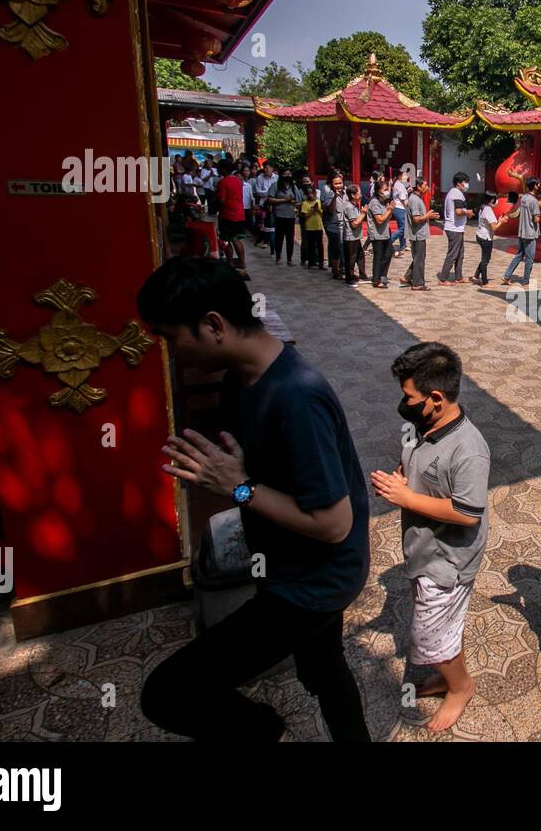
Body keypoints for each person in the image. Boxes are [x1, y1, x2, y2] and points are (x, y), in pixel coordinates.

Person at [136, 257, 370, 742]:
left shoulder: (296, 396)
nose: (167, 349)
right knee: (324, 669)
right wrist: (226, 477)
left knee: (168, 693)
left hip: (313, 580)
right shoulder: (239, 379)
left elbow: (333, 523)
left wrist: (238, 488)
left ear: (213, 325)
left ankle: (264, 730)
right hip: (284, 561)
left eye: (169, 336)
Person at [371, 343, 490, 732]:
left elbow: (468, 514)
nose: (403, 403)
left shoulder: (470, 450)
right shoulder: (421, 427)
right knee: (439, 630)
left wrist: (406, 498)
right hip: (424, 550)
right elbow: (411, 464)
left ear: (436, 398)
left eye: (409, 396)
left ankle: (460, 686)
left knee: (428, 637)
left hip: (448, 562)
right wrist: (400, 480)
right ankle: (450, 670)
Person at [501, 177, 541, 285]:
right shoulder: (534, 201)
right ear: (534, 186)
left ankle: (506, 275)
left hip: (522, 231)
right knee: (529, 258)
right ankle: (525, 280)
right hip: (530, 233)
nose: (540, 186)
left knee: (519, 255)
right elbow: (536, 219)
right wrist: (539, 210)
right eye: (538, 184)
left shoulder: (523, 198)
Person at [215, 162, 250, 280]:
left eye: (219, 168)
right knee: (236, 239)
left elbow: (222, 200)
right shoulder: (238, 181)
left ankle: (230, 262)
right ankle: (242, 262)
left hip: (227, 215)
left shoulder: (223, 182)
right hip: (239, 213)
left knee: (226, 240)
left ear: (223, 169)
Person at [401, 177, 435, 291]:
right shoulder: (415, 200)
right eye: (425, 185)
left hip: (419, 233)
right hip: (417, 234)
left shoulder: (417, 198)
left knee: (419, 257)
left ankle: (407, 277)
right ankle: (417, 284)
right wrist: (428, 216)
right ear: (419, 186)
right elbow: (416, 219)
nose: (427, 187)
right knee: (419, 259)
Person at [438, 172, 472, 285]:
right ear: (458, 183)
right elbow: (458, 212)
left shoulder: (453, 193)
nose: (466, 184)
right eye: (465, 182)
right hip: (454, 228)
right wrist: (468, 212)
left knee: (460, 253)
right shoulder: (457, 193)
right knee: (453, 254)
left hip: (457, 228)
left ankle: (458, 276)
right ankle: (443, 278)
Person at [472, 191, 506, 286]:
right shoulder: (488, 210)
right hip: (486, 238)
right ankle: (485, 281)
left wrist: (499, 220)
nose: (496, 202)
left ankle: (476, 276)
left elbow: (491, 223)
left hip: (481, 235)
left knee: (485, 258)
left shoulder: (483, 207)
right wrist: (502, 222)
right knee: (485, 260)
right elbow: (494, 227)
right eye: (495, 200)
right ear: (491, 200)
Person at [267, 169, 300, 265]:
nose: (288, 176)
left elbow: (298, 201)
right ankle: (278, 257)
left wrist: (294, 203)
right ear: (281, 175)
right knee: (279, 237)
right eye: (285, 174)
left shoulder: (294, 187)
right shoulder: (275, 186)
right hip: (279, 215)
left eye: (289, 174)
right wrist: (284, 200)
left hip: (290, 216)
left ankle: (289, 259)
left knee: (290, 238)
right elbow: (269, 199)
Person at [367, 179, 395, 288]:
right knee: (378, 257)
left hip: (385, 233)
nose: (388, 191)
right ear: (378, 191)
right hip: (377, 234)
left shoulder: (383, 201)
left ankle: (382, 276)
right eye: (385, 189)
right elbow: (379, 220)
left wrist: (389, 210)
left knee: (388, 254)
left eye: (388, 189)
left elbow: (387, 217)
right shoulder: (374, 202)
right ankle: (376, 279)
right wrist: (390, 210)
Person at [340, 184, 367, 284]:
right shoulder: (349, 207)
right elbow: (354, 224)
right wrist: (363, 213)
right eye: (359, 193)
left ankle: (362, 274)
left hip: (356, 236)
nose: (361, 195)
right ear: (353, 195)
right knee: (351, 258)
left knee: (360, 256)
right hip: (350, 237)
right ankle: (349, 278)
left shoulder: (354, 205)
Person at [323, 175, 347, 280]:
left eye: (340, 183)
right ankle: (335, 271)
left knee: (344, 248)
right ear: (332, 185)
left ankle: (343, 268)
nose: (339, 186)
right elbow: (330, 209)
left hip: (345, 225)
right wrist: (334, 198)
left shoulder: (346, 193)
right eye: (336, 184)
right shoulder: (330, 194)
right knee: (335, 249)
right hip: (334, 226)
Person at [299, 183, 324, 270]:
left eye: (311, 193)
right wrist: (313, 210)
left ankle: (321, 263)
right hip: (309, 227)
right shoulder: (305, 203)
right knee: (310, 246)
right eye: (308, 193)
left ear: (315, 193)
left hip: (318, 227)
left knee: (320, 245)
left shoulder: (319, 202)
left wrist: (317, 209)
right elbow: (305, 216)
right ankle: (311, 262)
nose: (310, 195)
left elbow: (323, 215)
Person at [391, 171, 409, 257]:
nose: (406, 177)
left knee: (401, 226)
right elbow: (402, 199)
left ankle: (403, 245)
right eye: (404, 175)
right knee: (403, 228)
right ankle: (390, 240)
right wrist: (407, 208)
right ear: (399, 176)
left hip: (398, 208)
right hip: (400, 208)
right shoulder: (399, 185)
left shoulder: (398, 184)